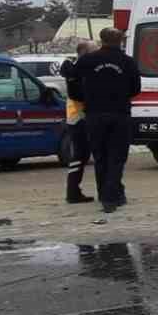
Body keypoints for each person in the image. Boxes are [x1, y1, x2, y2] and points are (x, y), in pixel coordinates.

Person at [72, 28, 141, 213]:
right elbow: (136, 89)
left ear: (101, 40)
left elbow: (73, 83)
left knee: (100, 156)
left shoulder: (87, 60)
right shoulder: (127, 62)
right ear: (120, 41)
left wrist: (88, 97)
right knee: (117, 157)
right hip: (120, 114)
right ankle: (112, 197)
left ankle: (105, 193)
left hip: (94, 115)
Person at [59, 41, 96, 203]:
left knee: (81, 155)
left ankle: (73, 190)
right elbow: (78, 95)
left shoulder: (74, 68)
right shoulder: (76, 70)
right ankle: (72, 191)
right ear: (84, 52)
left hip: (77, 115)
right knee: (80, 155)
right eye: (94, 51)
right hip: (78, 117)